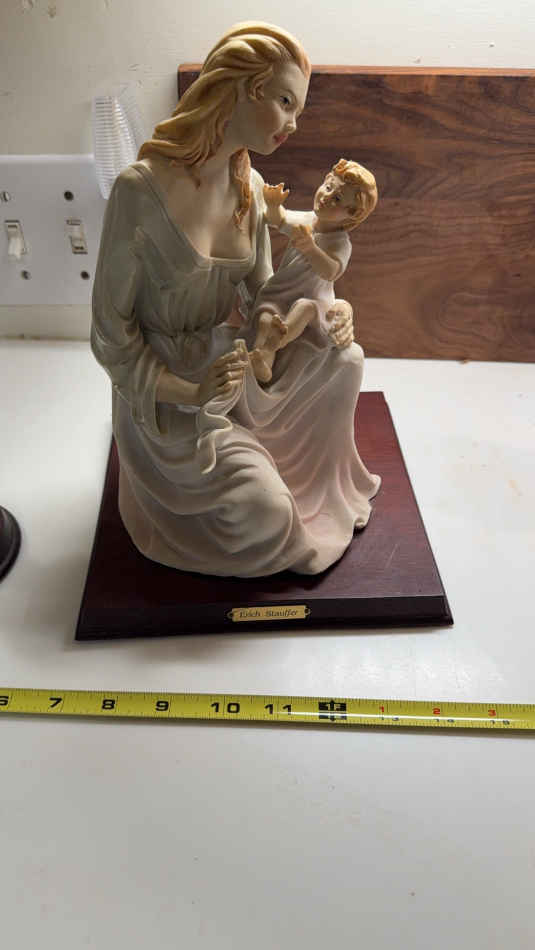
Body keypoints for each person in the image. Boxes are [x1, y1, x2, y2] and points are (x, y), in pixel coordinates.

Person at [91, 21, 380, 578]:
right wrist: (191, 391)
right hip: (170, 397)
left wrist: (333, 309)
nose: (294, 124)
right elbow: (111, 338)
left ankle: (311, 478)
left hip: (233, 365)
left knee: (345, 360)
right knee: (268, 514)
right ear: (246, 90)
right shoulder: (139, 191)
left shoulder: (249, 188)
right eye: (286, 103)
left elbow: (267, 296)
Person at [249, 159, 378, 382]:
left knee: (304, 308)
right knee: (265, 319)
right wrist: (273, 205)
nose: (326, 197)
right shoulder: (307, 220)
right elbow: (277, 220)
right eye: (328, 187)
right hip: (281, 294)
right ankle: (263, 362)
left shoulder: (339, 242)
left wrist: (311, 248)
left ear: (351, 213)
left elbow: (331, 271)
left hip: (315, 300)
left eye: (337, 199)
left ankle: (276, 342)